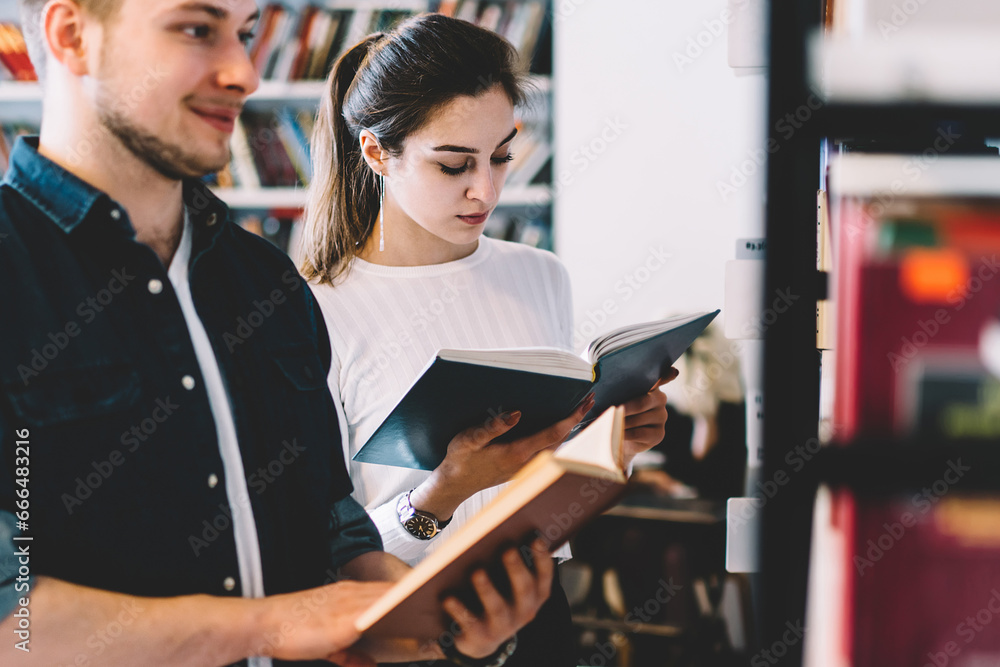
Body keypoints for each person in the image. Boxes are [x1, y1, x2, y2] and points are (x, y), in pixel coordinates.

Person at [0, 2, 554, 665]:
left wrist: (444, 628)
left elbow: (334, 533)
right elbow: (13, 624)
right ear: (73, 37)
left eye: (247, 35)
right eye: (198, 30)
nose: (244, 72)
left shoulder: (267, 281)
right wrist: (263, 625)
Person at [299, 13, 675, 665]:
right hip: (406, 636)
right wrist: (439, 494)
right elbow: (316, 560)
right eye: (454, 165)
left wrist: (614, 445)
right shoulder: (313, 310)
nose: (488, 189)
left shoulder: (538, 275)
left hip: (539, 615)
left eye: (502, 155)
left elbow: (549, 505)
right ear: (376, 153)